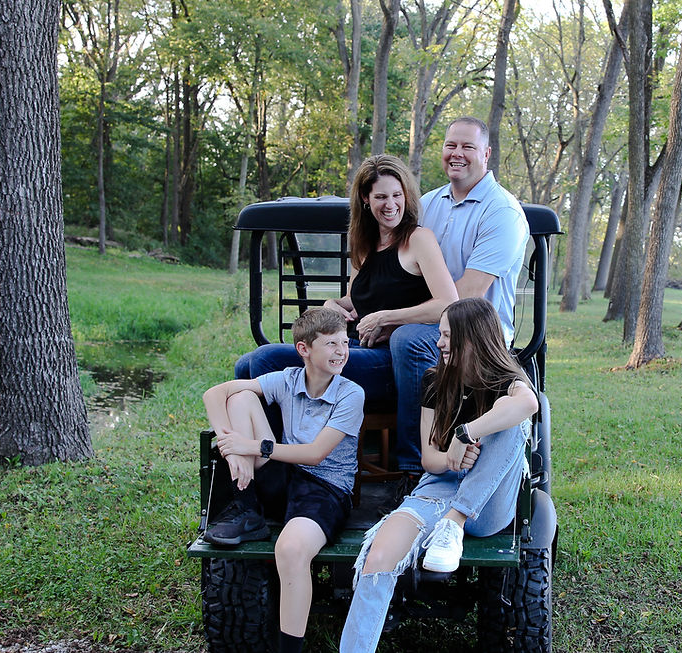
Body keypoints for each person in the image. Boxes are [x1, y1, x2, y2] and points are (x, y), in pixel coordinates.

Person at [338, 298, 540, 653]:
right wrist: (451, 458)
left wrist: (466, 433)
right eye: (441, 334)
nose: (439, 342)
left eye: (447, 335)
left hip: (486, 504)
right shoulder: (435, 380)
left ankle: (454, 520)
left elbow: (529, 405)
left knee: (511, 421)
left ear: (473, 339)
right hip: (439, 487)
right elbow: (429, 459)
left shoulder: (509, 382)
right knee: (379, 556)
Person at [233, 154, 458, 409]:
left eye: (397, 195)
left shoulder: (418, 239)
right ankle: (266, 438)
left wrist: (385, 318)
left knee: (267, 358)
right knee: (244, 364)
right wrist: (332, 303)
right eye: (381, 197)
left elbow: (448, 302)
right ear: (365, 198)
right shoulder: (363, 242)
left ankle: (276, 447)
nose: (391, 204)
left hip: (387, 359)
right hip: (350, 346)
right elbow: (354, 300)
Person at [201, 308, 365, 653]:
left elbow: (316, 454)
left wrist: (252, 446)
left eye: (345, 343)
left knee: (289, 550)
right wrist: (233, 450)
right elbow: (214, 395)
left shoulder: (351, 393)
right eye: (331, 343)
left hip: (325, 488)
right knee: (241, 396)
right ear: (304, 349)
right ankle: (246, 510)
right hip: (285, 475)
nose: (342, 351)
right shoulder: (288, 379)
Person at [387, 117, 529, 494]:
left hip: (479, 335)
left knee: (408, 341)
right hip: (427, 321)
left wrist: (396, 319)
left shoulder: (503, 213)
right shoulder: (429, 204)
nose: (457, 154)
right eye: (451, 145)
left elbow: (466, 296)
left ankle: (411, 467)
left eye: (467, 147)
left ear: (486, 154)